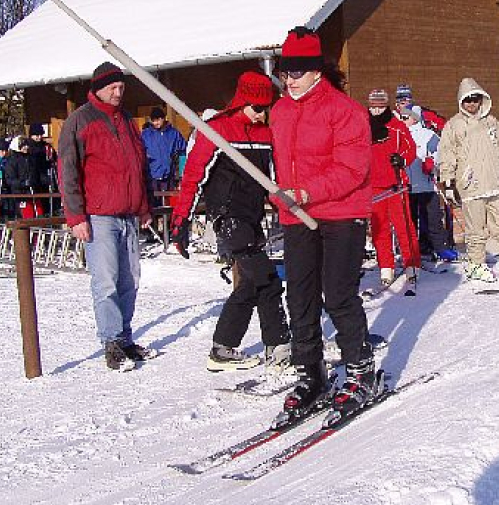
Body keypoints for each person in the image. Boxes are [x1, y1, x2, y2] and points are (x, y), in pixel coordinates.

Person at [270, 26, 377, 420]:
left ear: (317, 71)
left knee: (338, 295)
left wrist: (305, 192)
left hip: (342, 213)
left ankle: (360, 371)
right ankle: (311, 373)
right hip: (297, 216)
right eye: (286, 72)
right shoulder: (280, 111)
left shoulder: (346, 111)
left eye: (298, 71)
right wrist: (282, 194)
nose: (290, 79)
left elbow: (352, 169)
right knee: (299, 298)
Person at [170, 72, 292, 373]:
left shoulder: (265, 134)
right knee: (267, 279)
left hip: (252, 217)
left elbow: (275, 182)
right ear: (241, 103)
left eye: (266, 108)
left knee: (249, 284)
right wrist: (180, 221)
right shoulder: (218, 130)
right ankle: (279, 347)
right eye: (256, 108)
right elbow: (193, 177)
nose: (261, 114)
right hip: (228, 218)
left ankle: (222, 349)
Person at [58, 61, 156, 372]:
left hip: (128, 214)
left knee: (130, 280)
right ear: (98, 88)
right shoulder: (80, 120)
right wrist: (76, 216)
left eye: (121, 87)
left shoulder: (127, 120)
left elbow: (140, 167)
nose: (118, 92)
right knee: (107, 281)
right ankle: (111, 341)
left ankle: (125, 338)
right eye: (112, 87)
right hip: (98, 215)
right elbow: (68, 171)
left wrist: (145, 206)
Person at [438, 78, 499, 282]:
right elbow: (447, 156)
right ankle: (476, 265)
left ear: (482, 99)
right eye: (467, 100)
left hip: (495, 184)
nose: (472, 104)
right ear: (461, 101)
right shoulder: (454, 125)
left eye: (475, 99)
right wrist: (448, 183)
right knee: (476, 230)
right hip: (471, 186)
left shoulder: (492, 122)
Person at [366, 89, 419, 288]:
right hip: (374, 185)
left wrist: (402, 159)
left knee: (404, 225)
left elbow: (410, 149)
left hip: (396, 184)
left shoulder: (397, 126)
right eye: (373, 107)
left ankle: (411, 264)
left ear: (386, 106)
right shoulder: (364, 127)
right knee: (380, 228)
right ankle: (386, 267)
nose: (376, 110)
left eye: (380, 106)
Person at [401, 106, 457, 262]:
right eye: (401, 117)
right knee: (410, 221)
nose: (402, 120)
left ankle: (440, 248)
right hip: (407, 187)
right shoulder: (400, 135)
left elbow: (441, 155)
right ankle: (412, 251)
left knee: (433, 220)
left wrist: (432, 163)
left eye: (405, 117)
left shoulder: (428, 135)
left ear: (415, 118)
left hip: (426, 186)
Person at [141, 106, 187, 197]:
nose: (156, 123)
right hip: (152, 176)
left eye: (158, 120)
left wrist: (182, 174)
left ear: (163, 118)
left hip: (169, 176)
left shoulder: (174, 133)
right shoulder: (146, 134)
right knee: (153, 201)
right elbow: (139, 151)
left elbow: (183, 153)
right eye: (153, 120)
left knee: (168, 201)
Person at [3, 137, 44, 219]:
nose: (26, 147)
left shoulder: (31, 159)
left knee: (40, 215)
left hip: (33, 192)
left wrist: (42, 180)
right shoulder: (12, 161)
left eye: (27, 145)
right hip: (21, 194)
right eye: (23, 146)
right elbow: (9, 180)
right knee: (27, 216)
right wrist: (23, 183)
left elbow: (36, 173)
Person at [27, 123, 58, 213]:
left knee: (47, 199)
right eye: (37, 135)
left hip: (45, 175)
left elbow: (54, 158)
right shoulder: (28, 146)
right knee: (38, 200)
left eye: (41, 135)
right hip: (34, 176)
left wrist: (51, 156)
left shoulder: (46, 146)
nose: (39, 137)